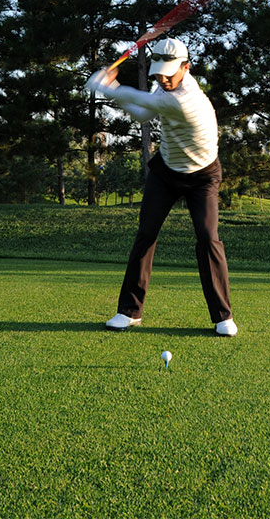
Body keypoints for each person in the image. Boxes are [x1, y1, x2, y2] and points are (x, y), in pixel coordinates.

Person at [85, 37, 237, 336]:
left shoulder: (184, 99)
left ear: (186, 67)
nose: (163, 78)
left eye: (169, 72)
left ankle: (223, 316)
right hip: (166, 170)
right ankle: (128, 312)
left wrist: (106, 86)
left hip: (203, 175)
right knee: (146, 234)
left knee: (208, 238)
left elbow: (147, 103)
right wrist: (112, 90)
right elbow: (143, 113)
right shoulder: (165, 88)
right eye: (158, 72)